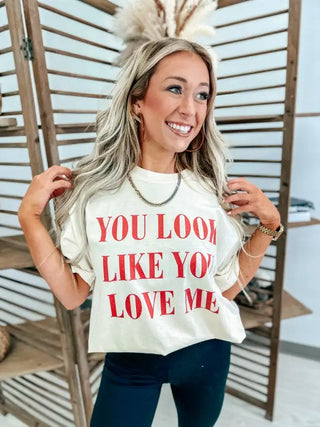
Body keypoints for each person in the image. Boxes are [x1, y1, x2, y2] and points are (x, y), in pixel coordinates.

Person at [18, 37, 282, 427]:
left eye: (202, 95)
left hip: (206, 356)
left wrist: (269, 226)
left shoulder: (210, 191)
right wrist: (29, 218)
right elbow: (73, 294)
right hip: (130, 364)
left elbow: (223, 288)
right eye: (175, 88)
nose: (190, 109)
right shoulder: (96, 194)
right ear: (137, 101)